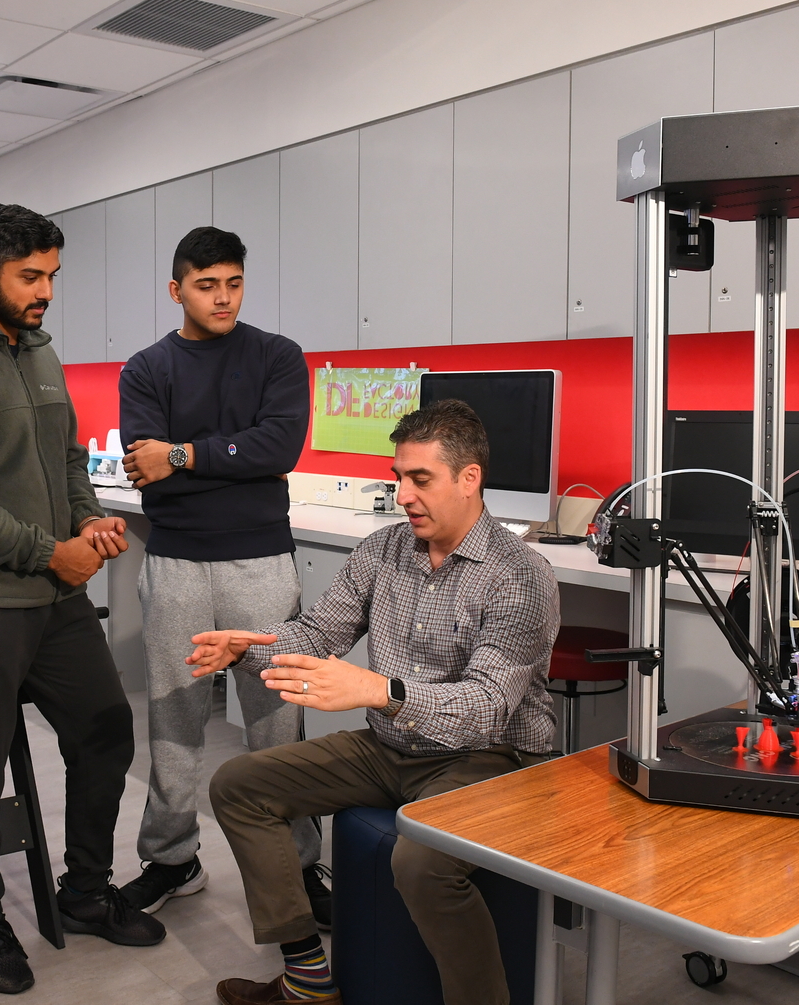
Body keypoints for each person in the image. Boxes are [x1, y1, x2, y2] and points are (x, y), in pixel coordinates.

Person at [188, 400, 560, 1005]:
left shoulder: (520, 575)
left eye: (420, 479)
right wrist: (245, 649)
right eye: (398, 478)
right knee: (238, 785)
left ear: (469, 480)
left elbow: (489, 706)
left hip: (488, 757)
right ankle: (308, 978)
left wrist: (379, 692)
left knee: (421, 864)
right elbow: (318, 633)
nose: (403, 495)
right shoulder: (384, 550)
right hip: (392, 745)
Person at [0, 201, 163, 996]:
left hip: (54, 595)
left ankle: (82, 890)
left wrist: (86, 520)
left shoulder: (41, 352)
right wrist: (55, 550)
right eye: (30, 276)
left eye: (52, 275)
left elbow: (69, 457)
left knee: (107, 730)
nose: (46, 290)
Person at [116, 227, 331, 922]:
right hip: (176, 560)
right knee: (175, 716)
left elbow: (280, 444)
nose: (223, 297)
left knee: (277, 717)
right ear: (177, 290)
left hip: (260, 561)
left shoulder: (277, 356)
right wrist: (221, 461)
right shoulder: (146, 369)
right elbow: (147, 466)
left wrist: (181, 456)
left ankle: (299, 866)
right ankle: (171, 858)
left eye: (234, 283)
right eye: (207, 285)